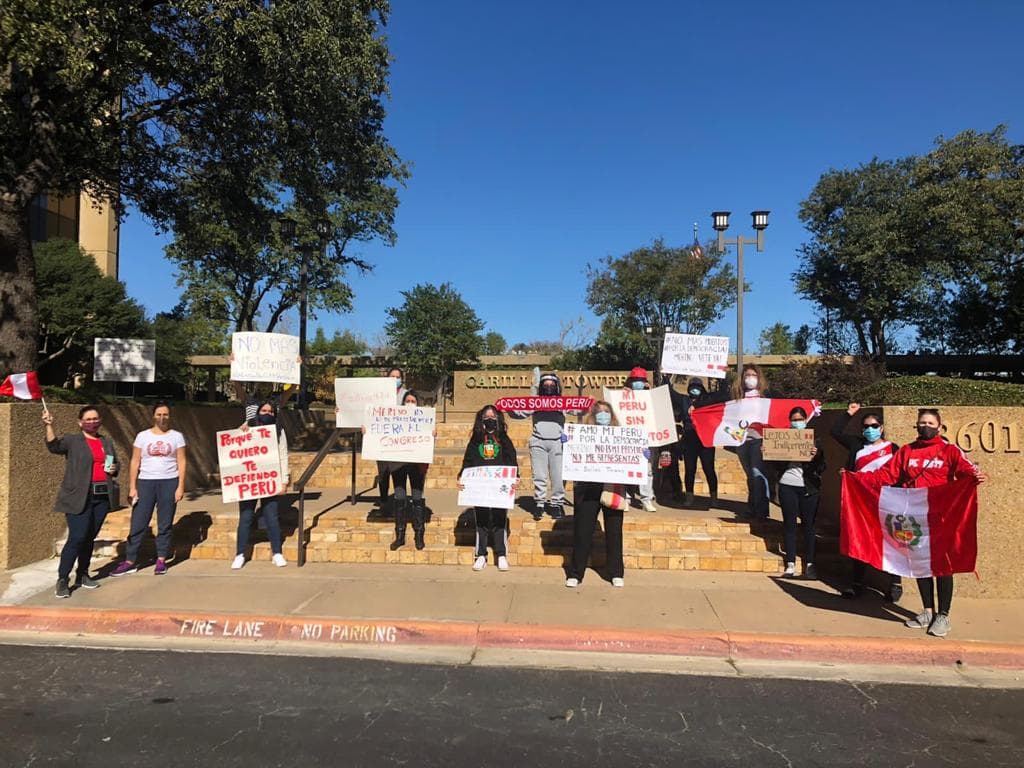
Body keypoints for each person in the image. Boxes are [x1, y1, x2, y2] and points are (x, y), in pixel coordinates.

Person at [856, 408, 987, 638]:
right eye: (921, 422)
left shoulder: (949, 450)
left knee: (943, 567)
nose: (925, 426)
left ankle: (943, 615)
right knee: (920, 565)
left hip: (941, 518)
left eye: (930, 422)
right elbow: (886, 475)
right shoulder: (907, 451)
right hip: (913, 517)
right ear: (916, 426)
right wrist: (857, 478)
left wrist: (976, 476)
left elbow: (966, 470)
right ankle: (927, 610)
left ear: (939, 426)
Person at [43, 405, 120, 598]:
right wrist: (49, 425)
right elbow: (54, 447)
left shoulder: (106, 442)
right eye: (88, 419)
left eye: (96, 419)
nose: (92, 422)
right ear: (80, 422)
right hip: (78, 497)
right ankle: (62, 579)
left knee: (88, 538)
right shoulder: (72, 440)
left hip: (101, 496)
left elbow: (114, 463)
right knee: (77, 537)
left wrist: (114, 469)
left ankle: (83, 574)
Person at [830, 402, 902, 601]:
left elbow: (899, 474)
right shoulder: (857, 445)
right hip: (862, 503)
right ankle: (856, 584)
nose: (870, 430)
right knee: (860, 541)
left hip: (887, 502)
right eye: (866, 426)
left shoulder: (893, 449)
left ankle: (895, 583)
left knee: (891, 543)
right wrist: (849, 413)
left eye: (874, 426)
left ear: (882, 427)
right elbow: (835, 432)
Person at [110, 403, 188, 577]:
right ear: (153, 416)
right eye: (159, 414)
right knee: (138, 522)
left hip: (169, 482)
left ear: (170, 416)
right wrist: (132, 487)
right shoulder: (142, 436)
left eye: (166, 414)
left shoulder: (177, 437)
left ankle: (161, 559)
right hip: (145, 482)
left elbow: (182, 461)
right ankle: (130, 560)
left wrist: (180, 486)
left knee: (165, 523)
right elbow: (135, 461)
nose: (162, 417)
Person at [565, 401, 626, 588]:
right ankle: (575, 573)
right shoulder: (582, 433)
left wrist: (642, 456)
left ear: (612, 415)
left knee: (614, 532)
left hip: (613, 487)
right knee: (582, 531)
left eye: (606, 411)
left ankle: (616, 573)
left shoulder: (622, 434)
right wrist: (566, 443)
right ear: (592, 415)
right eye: (599, 412)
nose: (603, 415)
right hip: (588, 488)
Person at [231, 399, 290, 570]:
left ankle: (277, 552)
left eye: (271, 412)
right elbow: (234, 447)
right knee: (246, 517)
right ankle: (240, 554)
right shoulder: (248, 426)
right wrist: (240, 431)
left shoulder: (279, 431)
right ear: (258, 412)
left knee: (271, 517)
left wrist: (284, 481)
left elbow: (283, 455)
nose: (267, 414)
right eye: (264, 411)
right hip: (249, 481)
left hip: (269, 480)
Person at [459, 405, 519, 572]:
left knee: (500, 519)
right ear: (482, 418)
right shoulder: (476, 439)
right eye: (487, 416)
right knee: (482, 520)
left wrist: (515, 477)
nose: (490, 418)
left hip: (499, 486)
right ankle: (481, 555)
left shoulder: (503, 438)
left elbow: (511, 459)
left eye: (493, 415)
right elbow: (468, 460)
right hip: (480, 486)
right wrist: (462, 477)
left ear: (498, 418)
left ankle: (501, 554)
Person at [770, 406, 825, 579]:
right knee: (790, 524)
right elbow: (776, 466)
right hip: (788, 485)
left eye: (800, 419)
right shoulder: (783, 439)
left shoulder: (815, 440)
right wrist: (770, 454)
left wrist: (816, 456)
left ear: (805, 421)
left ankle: (809, 563)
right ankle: (791, 563)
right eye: (794, 419)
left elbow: (822, 467)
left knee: (809, 525)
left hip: (809, 488)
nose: (797, 422)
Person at [511, 371, 568, 520]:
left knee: (558, 476)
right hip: (538, 442)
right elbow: (520, 413)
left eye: (552, 384)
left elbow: (578, 409)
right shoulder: (535, 402)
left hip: (557, 442)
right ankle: (540, 503)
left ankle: (556, 504)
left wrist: (588, 402)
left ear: (556, 386)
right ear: (541, 387)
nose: (549, 387)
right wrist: (509, 407)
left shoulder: (563, 402)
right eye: (545, 384)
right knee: (539, 475)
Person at [385, 390, 430, 551]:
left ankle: (419, 534)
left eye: (413, 401)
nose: (410, 403)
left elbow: (428, 439)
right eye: (407, 401)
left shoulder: (425, 419)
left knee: (417, 498)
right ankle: (400, 536)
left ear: (418, 403)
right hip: (398, 464)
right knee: (399, 497)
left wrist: (433, 434)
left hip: (417, 465)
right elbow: (380, 432)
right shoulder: (393, 419)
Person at [731, 364, 775, 519]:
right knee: (750, 475)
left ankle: (762, 510)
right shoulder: (737, 397)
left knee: (758, 473)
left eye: (753, 375)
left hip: (759, 439)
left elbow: (781, 408)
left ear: (759, 378)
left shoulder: (766, 396)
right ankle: (752, 507)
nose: (750, 378)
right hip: (741, 440)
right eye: (747, 375)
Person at [676, 377, 722, 507]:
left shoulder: (708, 400)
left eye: (697, 386)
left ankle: (714, 498)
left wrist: (720, 378)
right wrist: (666, 378)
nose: (694, 389)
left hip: (705, 440)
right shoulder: (684, 400)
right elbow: (670, 393)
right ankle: (689, 497)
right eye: (692, 386)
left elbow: (723, 394)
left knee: (709, 469)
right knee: (690, 469)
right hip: (689, 439)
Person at [624, 367, 657, 512]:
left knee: (647, 470)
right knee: (626, 469)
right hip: (628, 440)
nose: (638, 383)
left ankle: (646, 499)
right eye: (635, 380)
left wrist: (650, 394)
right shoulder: (622, 396)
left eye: (641, 381)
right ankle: (625, 498)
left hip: (647, 440)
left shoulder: (651, 397)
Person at [375, 367, 408, 512]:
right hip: (382, 439)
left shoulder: (407, 395)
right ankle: (383, 501)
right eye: (392, 376)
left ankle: (400, 504)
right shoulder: (378, 395)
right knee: (383, 473)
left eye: (398, 376)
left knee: (399, 472)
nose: (396, 379)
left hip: (399, 440)